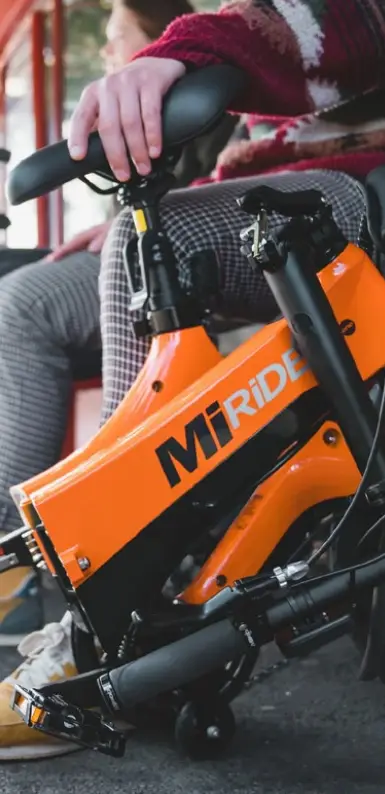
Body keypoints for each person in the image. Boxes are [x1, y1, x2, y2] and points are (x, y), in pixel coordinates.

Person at [0, 0, 385, 759]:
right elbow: (256, 139)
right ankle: (22, 575)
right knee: (23, 302)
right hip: (270, 199)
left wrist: (186, 51)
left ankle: (109, 623)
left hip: (383, 188)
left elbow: (360, 28)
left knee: (148, 242)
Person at [0, 0, 239, 652]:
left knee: (30, 302)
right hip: (152, 238)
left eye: (116, 39)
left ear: (159, 40)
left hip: (198, 257)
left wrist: (125, 227)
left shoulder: (205, 104)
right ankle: (25, 554)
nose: (107, 55)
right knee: (16, 289)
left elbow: (221, 185)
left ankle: (46, 565)